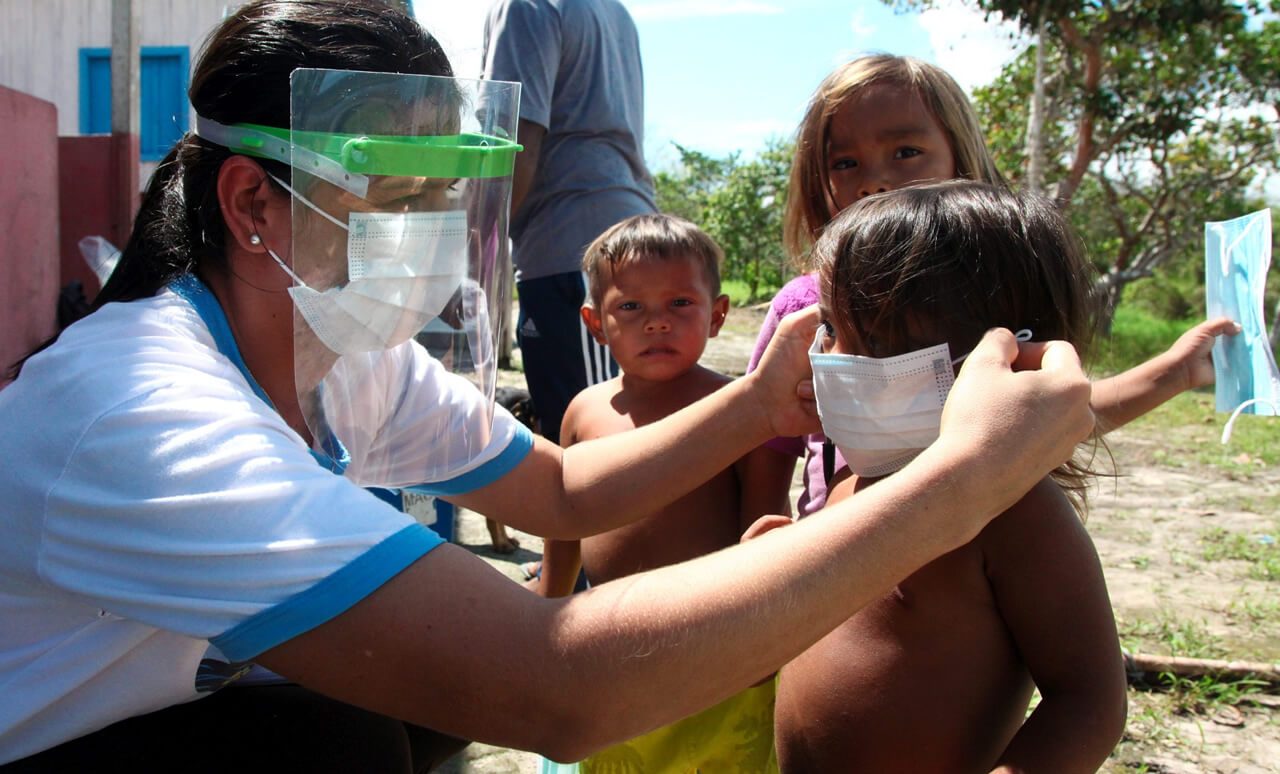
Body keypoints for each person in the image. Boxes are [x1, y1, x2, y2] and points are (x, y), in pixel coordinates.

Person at [0, 4, 1096, 771]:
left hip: (160, 716)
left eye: (446, 194)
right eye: (398, 194)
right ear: (252, 203)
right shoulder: (143, 413)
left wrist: (761, 405)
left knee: (371, 718)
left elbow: (564, 489)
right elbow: (558, 689)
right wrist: (961, 481)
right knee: (352, 734)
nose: (430, 231)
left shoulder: (343, 357)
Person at [747, 53, 1242, 518]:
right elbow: (765, 447)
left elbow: (1059, 412)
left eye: (906, 152)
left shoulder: (989, 295)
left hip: (980, 546)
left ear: (961, 157)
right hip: (829, 555)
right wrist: (761, 559)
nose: (874, 180)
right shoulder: (805, 309)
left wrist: (1175, 371)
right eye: (844, 162)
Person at [768, 180, 1127, 772]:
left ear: (1013, 354)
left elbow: (1090, 702)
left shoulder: (1015, 513)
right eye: (831, 327)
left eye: (877, 338)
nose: (835, 358)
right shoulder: (852, 482)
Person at [537, 214, 791, 772]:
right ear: (595, 323)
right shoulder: (585, 411)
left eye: (680, 303)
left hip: (714, 655)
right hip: (608, 652)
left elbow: (766, 532)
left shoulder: (740, 411)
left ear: (717, 315)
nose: (657, 322)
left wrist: (764, 646)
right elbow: (563, 519)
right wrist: (547, 612)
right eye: (631, 306)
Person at [481, 0, 657, 445]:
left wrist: (472, 253)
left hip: (574, 248)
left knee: (596, 444)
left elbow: (514, 143)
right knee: (611, 435)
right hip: (617, 235)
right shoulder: (612, 12)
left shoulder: (527, 7)